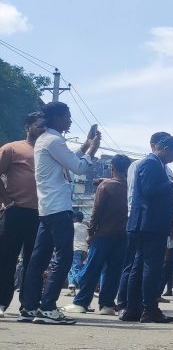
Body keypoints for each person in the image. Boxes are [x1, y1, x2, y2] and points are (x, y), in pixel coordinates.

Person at [19, 102, 101, 325]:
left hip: (47, 207)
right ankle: (48, 307)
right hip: (59, 206)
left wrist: (84, 146)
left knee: (39, 259)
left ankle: (29, 305)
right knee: (63, 257)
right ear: (57, 118)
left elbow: (67, 158)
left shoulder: (45, 140)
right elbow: (79, 167)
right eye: (67, 116)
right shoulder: (54, 140)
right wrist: (92, 149)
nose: (70, 120)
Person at [122, 135, 173, 323]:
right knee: (151, 266)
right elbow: (150, 190)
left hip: (144, 222)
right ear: (164, 148)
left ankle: (133, 308)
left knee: (138, 266)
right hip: (151, 223)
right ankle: (149, 309)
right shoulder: (152, 164)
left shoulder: (151, 164)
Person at [67, 154, 131, 315]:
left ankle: (81, 302)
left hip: (102, 234)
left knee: (92, 268)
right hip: (123, 235)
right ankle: (107, 304)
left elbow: (96, 212)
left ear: (112, 167)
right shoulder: (131, 187)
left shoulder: (105, 186)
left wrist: (91, 232)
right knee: (114, 271)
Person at [0, 112, 46, 317]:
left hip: (40, 214)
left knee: (33, 262)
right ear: (28, 126)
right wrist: (7, 201)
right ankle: (1, 302)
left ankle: (28, 305)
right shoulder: (12, 148)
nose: (43, 129)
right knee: (6, 258)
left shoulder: (47, 150)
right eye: (39, 124)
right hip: (15, 211)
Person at [67, 210, 88, 293]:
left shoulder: (72, 226)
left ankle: (84, 286)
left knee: (75, 268)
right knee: (73, 268)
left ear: (74, 218)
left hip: (75, 249)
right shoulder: (86, 227)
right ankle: (72, 288)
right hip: (84, 250)